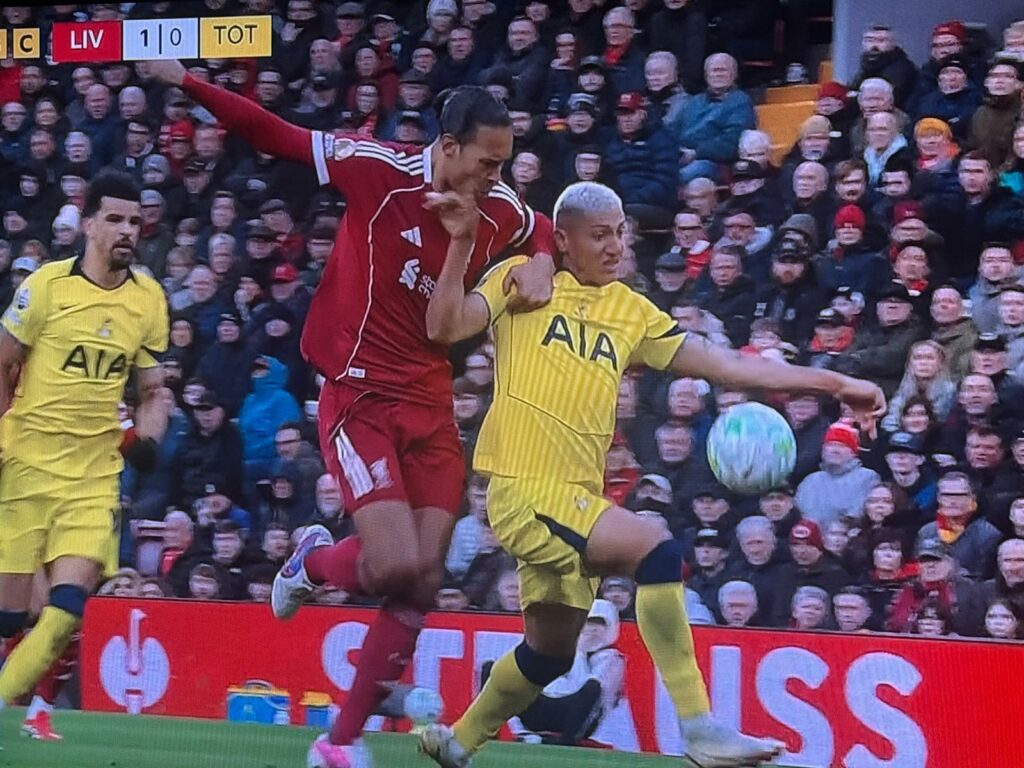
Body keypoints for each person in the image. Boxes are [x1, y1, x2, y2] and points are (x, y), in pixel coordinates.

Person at [146, 60, 556, 768]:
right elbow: (270, 133)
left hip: (429, 403)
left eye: (505, 164)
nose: (498, 175)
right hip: (358, 395)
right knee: (395, 563)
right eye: (488, 161)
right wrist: (187, 82)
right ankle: (313, 560)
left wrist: (545, 259)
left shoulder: (497, 210)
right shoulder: (377, 168)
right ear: (449, 147)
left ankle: (336, 746)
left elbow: (540, 225)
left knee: (424, 579)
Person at [414, 181, 884, 768]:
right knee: (657, 551)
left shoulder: (632, 312)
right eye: (599, 234)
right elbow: (444, 326)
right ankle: (699, 727)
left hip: (572, 502)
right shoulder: (525, 283)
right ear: (562, 240)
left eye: (620, 233)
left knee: (549, 655)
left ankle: (457, 741)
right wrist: (460, 243)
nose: (614, 247)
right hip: (522, 489)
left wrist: (838, 385)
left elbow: (731, 366)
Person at [0, 173, 170, 730]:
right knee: (10, 618)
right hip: (25, 464)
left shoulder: (147, 299)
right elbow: (3, 362)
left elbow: (152, 388)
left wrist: (148, 435)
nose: (127, 230)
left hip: (93, 477)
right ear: (89, 223)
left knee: (65, 610)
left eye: (135, 222)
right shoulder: (47, 288)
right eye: (115, 219)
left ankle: (28, 712)